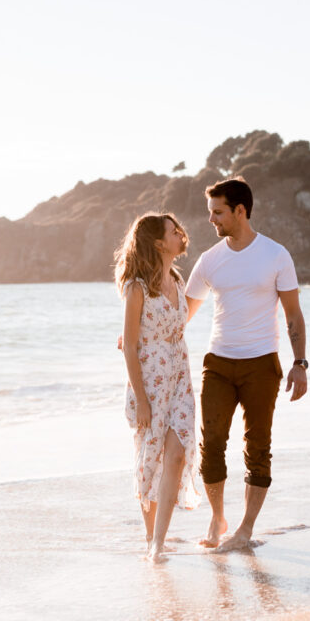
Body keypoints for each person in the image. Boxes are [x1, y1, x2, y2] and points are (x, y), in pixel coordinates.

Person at [185, 177, 308, 552]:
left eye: (218, 212)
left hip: (261, 364)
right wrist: (140, 335)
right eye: (211, 213)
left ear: (240, 211)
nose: (212, 220)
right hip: (218, 363)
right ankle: (217, 516)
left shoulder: (275, 255)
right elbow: (181, 314)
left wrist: (299, 363)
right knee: (212, 445)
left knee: (257, 447)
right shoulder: (210, 260)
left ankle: (245, 529)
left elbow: (293, 315)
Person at [115, 212, 201, 562]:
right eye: (173, 231)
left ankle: (159, 542)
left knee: (177, 454)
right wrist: (142, 399)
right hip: (149, 382)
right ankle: (150, 537)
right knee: (150, 459)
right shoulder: (136, 287)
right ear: (158, 242)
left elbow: (177, 325)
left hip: (180, 376)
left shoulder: (178, 281)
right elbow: (132, 348)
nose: (181, 233)